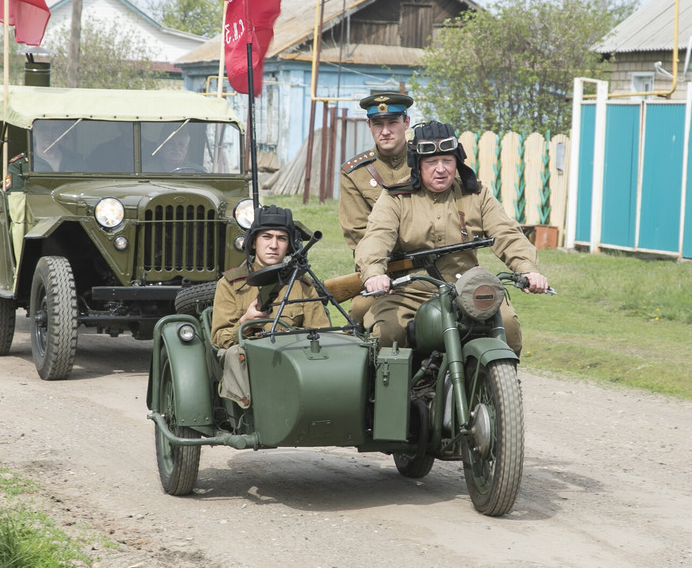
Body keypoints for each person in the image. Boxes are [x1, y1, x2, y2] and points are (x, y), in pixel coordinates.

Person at [355, 121, 549, 354]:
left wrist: (527, 268)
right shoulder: (396, 197)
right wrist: (375, 274)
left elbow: (506, 233)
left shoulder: (476, 193)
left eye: (447, 160)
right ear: (418, 165)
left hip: (467, 288)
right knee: (386, 334)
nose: (441, 169)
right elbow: (377, 237)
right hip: (409, 290)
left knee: (507, 327)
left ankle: (501, 386)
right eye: (431, 162)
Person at [211, 205, 330, 407]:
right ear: (254, 243)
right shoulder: (232, 284)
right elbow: (219, 340)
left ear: (289, 245)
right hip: (248, 361)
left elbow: (322, 334)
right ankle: (249, 412)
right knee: (234, 354)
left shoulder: (302, 286)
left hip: (292, 361)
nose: (273, 245)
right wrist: (246, 323)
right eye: (266, 237)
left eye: (281, 238)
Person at [337, 90, 413, 326]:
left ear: (406, 122)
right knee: (361, 310)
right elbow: (358, 233)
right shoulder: (355, 173)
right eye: (378, 124)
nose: (386, 131)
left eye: (393, 122)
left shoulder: (428, 162)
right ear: (369, 125)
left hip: (431, 266)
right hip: (383, 268)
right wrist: (376, 272)